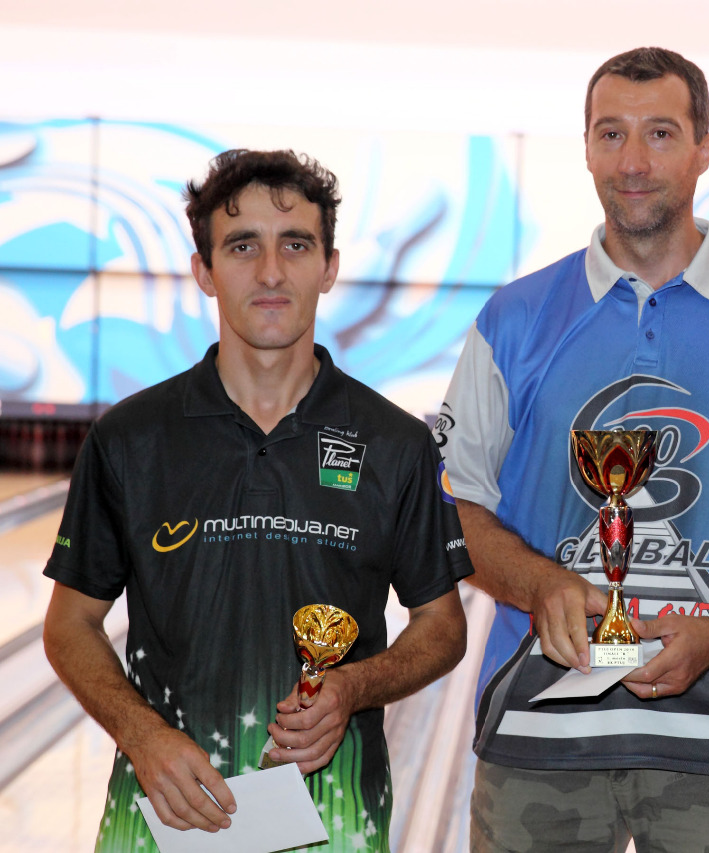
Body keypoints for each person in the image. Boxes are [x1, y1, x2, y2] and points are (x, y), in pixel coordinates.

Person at [434, 46, 709, 852]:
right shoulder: (512, 320)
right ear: (586, 148)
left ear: (704, 149)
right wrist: (541, 582)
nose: (633, 161)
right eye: (611, 134)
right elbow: (455, 509)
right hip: (538, 736)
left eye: (660, 133)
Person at [42, 149, 472, 853]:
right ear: (204, 270)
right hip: (159, 822)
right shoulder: (129, 438)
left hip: (335, 824)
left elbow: (442, 625)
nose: (271, 272)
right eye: (243, 246)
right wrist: (142, 735)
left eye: (295, 245)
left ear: (329, 267)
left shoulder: (395, 443)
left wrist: (354, 686)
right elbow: (69, 624)